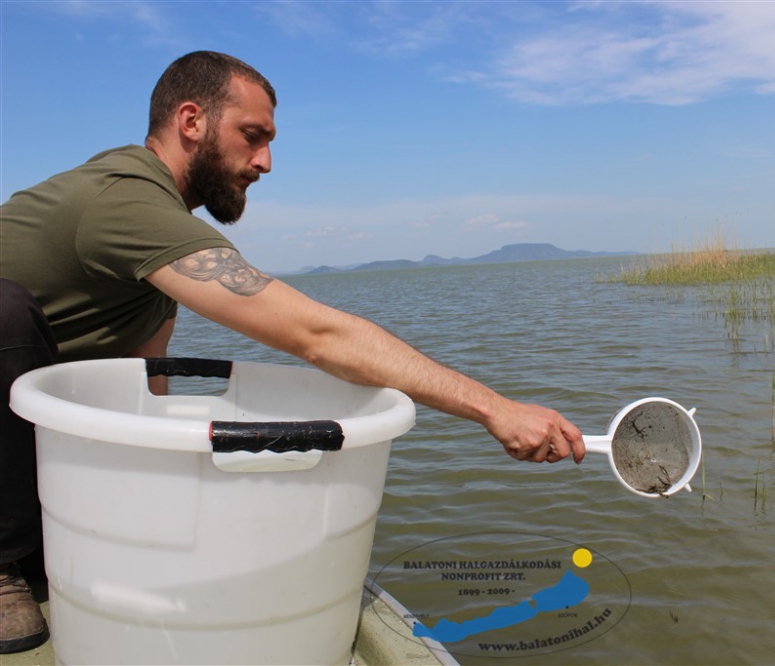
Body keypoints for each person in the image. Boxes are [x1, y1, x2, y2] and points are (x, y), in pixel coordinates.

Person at [0, 51, 586, 654]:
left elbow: (145, 389)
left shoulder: (161, 242)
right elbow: (319, 336)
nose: (266, 163)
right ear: (192, 120)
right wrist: (495, 408)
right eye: (252, 137)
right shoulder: (123, 202)